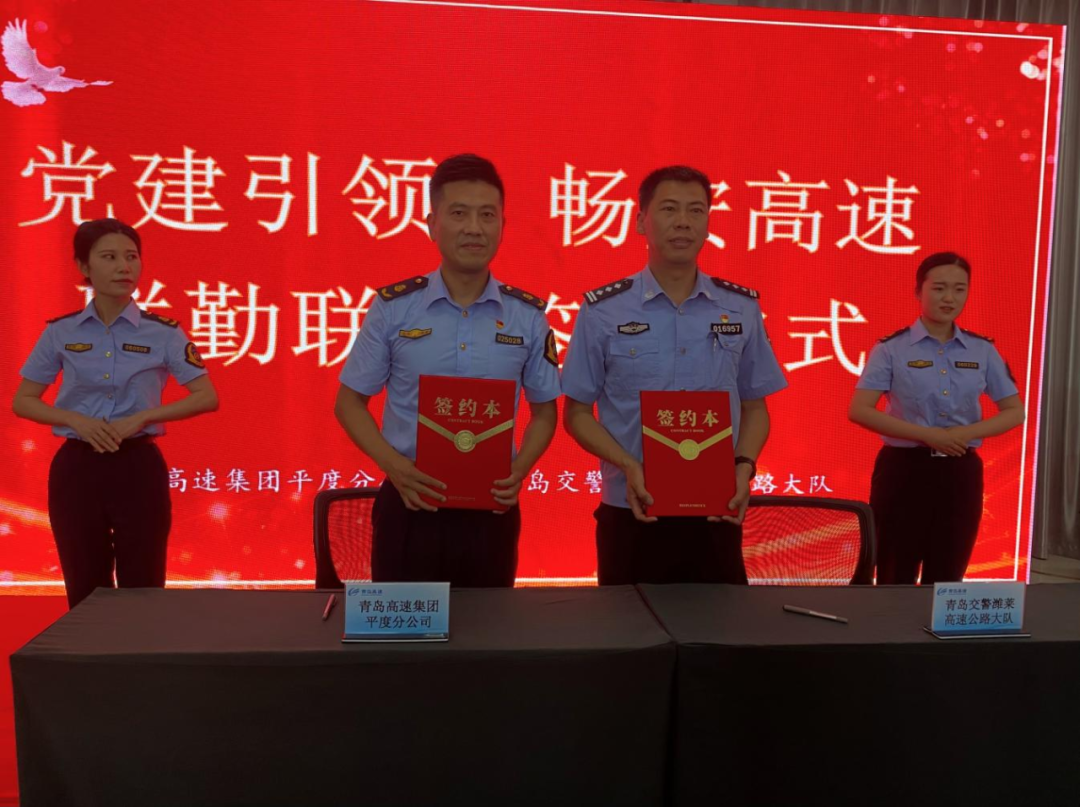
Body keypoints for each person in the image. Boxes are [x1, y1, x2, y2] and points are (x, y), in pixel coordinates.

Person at [335, 154, 560, 587]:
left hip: (492, 509)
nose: (474, 228)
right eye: (459, 214)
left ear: (502, 226)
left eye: (487, 215)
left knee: (489, 628)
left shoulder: (527, 316)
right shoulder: (393, 308)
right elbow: (349, 403)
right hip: (409, 504)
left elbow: (545, 412)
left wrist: (520, 470)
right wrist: (393, 466)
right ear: (431, 224)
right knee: (403, 629)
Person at [561, 165, 787, 585]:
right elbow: (576, 413)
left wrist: (743, 467)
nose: (683, 221)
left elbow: (756, 407)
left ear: (708, 223)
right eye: (669, 209)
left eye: (696, 210)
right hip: (630, 511)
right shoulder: (603, 311)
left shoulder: (740, 308)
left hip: (717, 512)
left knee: (720, 625)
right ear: (640, 221)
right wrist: (628, 465)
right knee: (626, 625)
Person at [13, 218, 219, 608]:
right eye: (109, 257)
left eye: (132, 257)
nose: (124, 267)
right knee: (85, 587)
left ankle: (142, 650)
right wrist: (74, 419)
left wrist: (141, 418)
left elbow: (206, 396)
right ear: (83, 266)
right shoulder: (61, 332)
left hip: (137, 466)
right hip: (77, 467)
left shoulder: (164, 332)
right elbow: (24, 400)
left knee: (143, 587)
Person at [849, 251, 1024, 585]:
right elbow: (860, 409)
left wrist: (962, 434)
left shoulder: (983, 350)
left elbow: (1015, 411)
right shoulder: (891, 348)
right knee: (894, 572)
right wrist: (927, 435)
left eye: (959, 289)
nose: (949, 298)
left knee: (948, 574)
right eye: (939, 288)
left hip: (960, 471)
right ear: (919, 291)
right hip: (904, 470)